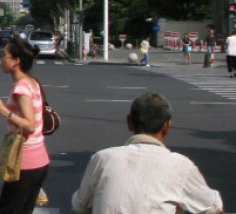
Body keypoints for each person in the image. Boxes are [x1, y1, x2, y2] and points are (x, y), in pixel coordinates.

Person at [71, 92, 223, 214]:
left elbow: (80, 205)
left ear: (129, 122)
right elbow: (213, 208)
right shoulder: (181, 166)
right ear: (166, 126)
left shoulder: (103, 159)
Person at [0, 37, 49, 214]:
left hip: (25, 162)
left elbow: (30, 125)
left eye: (4, 56)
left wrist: (2, 110)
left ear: (16, 61)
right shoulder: (32, 82)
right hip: (39, 160)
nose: (1, 59)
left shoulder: (21, 87)